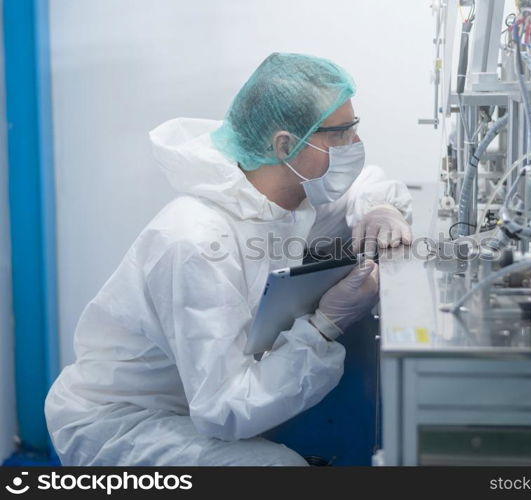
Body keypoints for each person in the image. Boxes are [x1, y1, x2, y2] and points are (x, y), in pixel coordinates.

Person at [45, 53, 412, 466]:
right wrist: (324, 327)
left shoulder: (284, 203)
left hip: (194, 401)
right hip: (126, 423)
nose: (355, 146)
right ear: (285, 145)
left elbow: (364, 188)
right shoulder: (197, 241)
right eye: (341, 133)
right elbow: (225, 408)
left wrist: (380, 209)